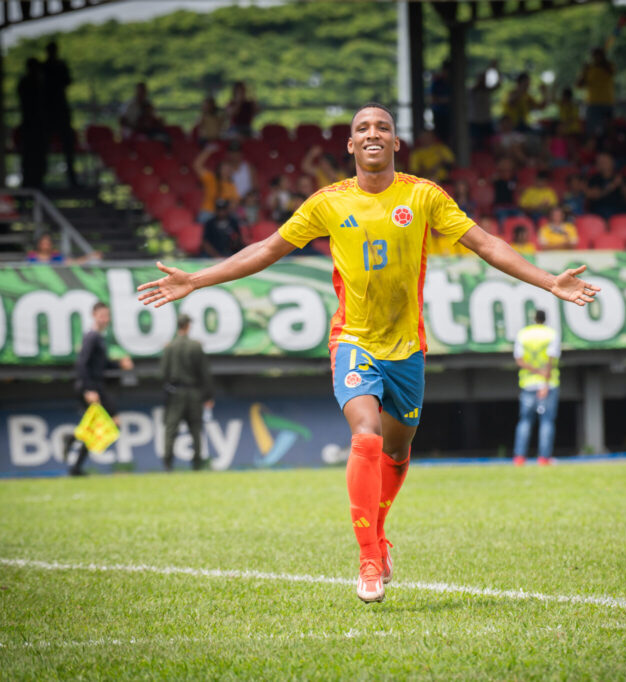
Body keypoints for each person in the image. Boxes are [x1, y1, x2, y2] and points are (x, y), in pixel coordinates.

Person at [137, 102, 600, 603]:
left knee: (398, 451)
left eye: (383, 127)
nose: (373, 133)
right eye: (362, 129)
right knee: (366, 435)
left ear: (396, 143)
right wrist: (197, 280)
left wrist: (549, 281)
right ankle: (370, 562)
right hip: (353, 341)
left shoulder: (423, 196)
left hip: (407, 350)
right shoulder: (327, 202)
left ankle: (379, 534)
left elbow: (487, 245)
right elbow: (266, 249)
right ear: (351, 145)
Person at [68, 302, 134, 476]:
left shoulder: (99, 337)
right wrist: (88, 389)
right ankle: (74, 452)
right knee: (112, 422)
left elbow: (102, 364)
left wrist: (119, 363)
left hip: (97, 386)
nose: (105, 319)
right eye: (102, 315)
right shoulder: (91, 337)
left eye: (107, 315)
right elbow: (81, 364)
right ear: (94, 315)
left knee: (99, 426)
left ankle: (75, 460)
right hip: (91, 387)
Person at [161, 314, 215, 471]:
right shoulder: (195, 346)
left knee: (171, 429)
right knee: (196, 428)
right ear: (188, 326)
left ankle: (168, 463)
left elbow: (163, 372)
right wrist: (208, 395)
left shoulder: (169, 347)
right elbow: (204, 373)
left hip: (175, 393)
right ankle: (197, 463)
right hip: (193, 393)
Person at [512, 310, 561, 467]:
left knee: (525, 421)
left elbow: (519, 359)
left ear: (533, 319)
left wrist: (535, 372)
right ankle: (544, 458)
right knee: (546, 421)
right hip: (548, 383)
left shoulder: (523, 334)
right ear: (545, 319)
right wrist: (544, 382)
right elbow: (550, 360)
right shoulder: (550, 334)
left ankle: (519, 457)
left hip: (527, 383)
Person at [42, 41, 77, 186]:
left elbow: (67, 81)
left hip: (59, 111)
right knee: (44, 147)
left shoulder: (58, 66)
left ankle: (72, 179)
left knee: (68, 147)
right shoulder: (44, 68)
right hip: (49, 112)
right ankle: (40, 179)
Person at [193, 144, 240, 224]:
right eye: (224, 168)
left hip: (223, 214)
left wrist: (229, 207)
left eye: (228, 168)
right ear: (219, 169)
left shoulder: (232, 186)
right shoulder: (211, 179)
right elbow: (197, 165)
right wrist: (208, 151)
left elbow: (235, 201)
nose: (226, 170)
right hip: (208, 211)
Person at [576, 47, 616, 138]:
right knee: (592, 130)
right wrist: (584, 71)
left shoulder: (608, 66)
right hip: (593, 103)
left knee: (608, 130)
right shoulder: (589, 69)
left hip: (607, 102)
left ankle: (608, 147)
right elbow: (579, 85)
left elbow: (612, 71)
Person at [586, 152, 626, 219]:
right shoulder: (594, 179)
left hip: (620, 208)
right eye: (601, 162)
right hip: (601, 209)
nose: (603, 164)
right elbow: (594, 195)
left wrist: (622, 185)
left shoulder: (620, 177)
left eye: (606, 161)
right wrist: (612, 185)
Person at [26, 233, 100, 264]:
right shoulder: (31, 257)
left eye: (48, 243)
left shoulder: (56, 257)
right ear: (38, 244)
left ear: (51, 244)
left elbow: (73, 263)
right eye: (43, 243)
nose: (46, 246)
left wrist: (90, 257)